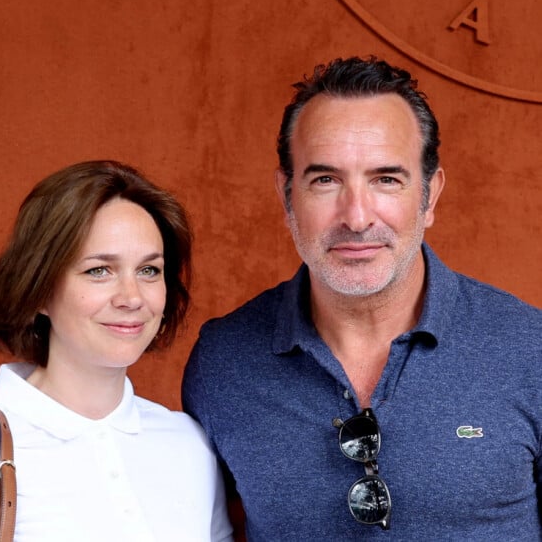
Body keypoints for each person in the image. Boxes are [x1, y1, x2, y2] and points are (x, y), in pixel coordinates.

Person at [182, 57, 542, 539]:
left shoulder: (529, 350)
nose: (356, 217)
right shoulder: (224, 361)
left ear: (430, 196)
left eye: (386, 179)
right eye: (325, 180)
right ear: (287, 196)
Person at [0, 160, 233, 541]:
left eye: (149, 270)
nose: (132, 297)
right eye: (99, 270)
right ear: (39, 289)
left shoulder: (187, 443)